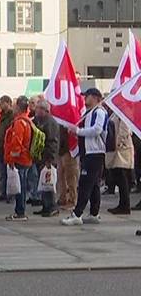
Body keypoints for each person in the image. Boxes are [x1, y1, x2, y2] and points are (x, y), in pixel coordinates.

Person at [63, 88, 108, 226]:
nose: (85, 98)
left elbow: (97, 130)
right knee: (93, 184)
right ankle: (94, 213)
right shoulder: (88, 113)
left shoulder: (99, 112)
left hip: (95, 153)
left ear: (95, 97)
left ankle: (77, 214)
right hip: (88, 152)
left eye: (87, 96)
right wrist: (77, 133)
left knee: (85, 184)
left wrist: (79, 131)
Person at [4, 96, 34, 222]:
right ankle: (20, 210)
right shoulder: (27, 121)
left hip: (20, 160)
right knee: (21, 185)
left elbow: (16, 142)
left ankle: (20, 212)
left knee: (19, 186)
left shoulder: (19, 123)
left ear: (18, 107)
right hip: (26, 158)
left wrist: (12, 159)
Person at [32, 100, 61, 217]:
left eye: (39, 108)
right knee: (44, 182)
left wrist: (50, 159)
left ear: (45, 110)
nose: (36, 110)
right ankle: (46, 205)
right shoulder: (40, 121)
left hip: (48, 158)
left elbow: (52, 142)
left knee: (49, 182)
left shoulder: (50, 122)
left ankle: (52, 206)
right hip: (41, 157)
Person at [106, 108, 134, 215]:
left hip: (122, 149)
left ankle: (124, 206)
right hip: (118, 149)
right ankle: (122, 204)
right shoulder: (116, 113)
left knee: (122, 178)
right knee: (119, 177)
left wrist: (118, 143)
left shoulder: (124, 113)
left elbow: (124, 130)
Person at [0, 96, 14, 202]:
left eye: (2, 102)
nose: (0, 105)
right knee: (3, 172)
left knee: (9, 172)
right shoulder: (1, 116)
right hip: (0, 148)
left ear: (8, 103)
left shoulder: (12, 116)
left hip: (8, 148)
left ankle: (10, 193)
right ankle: (4, 192)